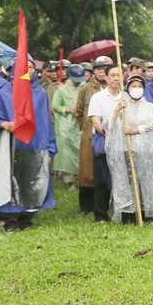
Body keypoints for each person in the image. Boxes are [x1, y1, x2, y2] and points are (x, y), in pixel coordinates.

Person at [0, 59, 58, 232]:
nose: (28, 70)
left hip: (35, 144)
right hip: (10, 146)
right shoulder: (3, 92)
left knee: (31, 181)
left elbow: (46, 123)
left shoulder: (40, 94)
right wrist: (2, 124)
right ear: (12, 71)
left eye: (31, 66)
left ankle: (26, 219)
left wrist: (50, 147)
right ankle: (9, 220)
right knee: (8, 181)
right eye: (23, 66)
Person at [104, 74, 153, 224]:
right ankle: (127, 215)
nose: (136, 89)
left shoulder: (149, 107)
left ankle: (146, 214)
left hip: (144, 151)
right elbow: (109, 126)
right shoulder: (122, 106)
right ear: (127, 88)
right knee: (127, 182)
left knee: (144, 181)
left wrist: (135, 130)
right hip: (126, 150)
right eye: (133, 86)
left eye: (139, 86)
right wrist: (117, 109)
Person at [87, 65, 125, 223]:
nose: (116, 78)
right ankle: (101, 215)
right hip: (103, 143)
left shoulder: (126, 96)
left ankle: (123, 212)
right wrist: (110, 135)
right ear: (107, 78)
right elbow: (96, 122)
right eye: (113, 75)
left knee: (122, 179)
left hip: (123, 143)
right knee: (102, 180)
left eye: (119, 75)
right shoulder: (97, 97)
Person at [75, 56, 110, 216]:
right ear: (93, 71)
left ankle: (106, 203)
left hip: (110, 134)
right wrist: (87, 130)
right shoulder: (86, 88)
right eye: (98, 68)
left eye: (105, 68)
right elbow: (80, 113)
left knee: (107, 170)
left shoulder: (116, 87)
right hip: (90, 134)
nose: (101, 71)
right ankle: (86, 205)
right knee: (87, 171)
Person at [51, 64, 86, 188]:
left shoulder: (85, 88)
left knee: (81, 151)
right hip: (66, 126)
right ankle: (70, 181)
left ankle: (82, 178)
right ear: (69, 77)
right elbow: (55, 106)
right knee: (66, 153)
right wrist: (67, 109)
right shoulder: (62, 90)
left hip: (81, 125)